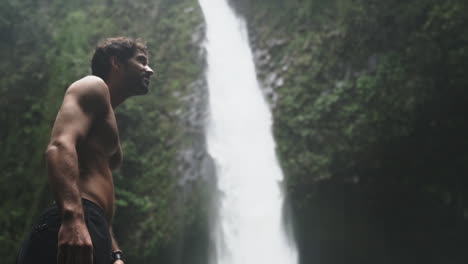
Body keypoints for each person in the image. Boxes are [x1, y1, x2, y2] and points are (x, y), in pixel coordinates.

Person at [16, 37, 154, 264]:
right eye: (141, 61)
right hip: (75, 219)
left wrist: (115, 254)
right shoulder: (92, 86)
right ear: (116, 62)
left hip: (92, 225)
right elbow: (59, 146)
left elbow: (101, 199)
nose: (150, 69)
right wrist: (73, 219)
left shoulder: (107, 118)